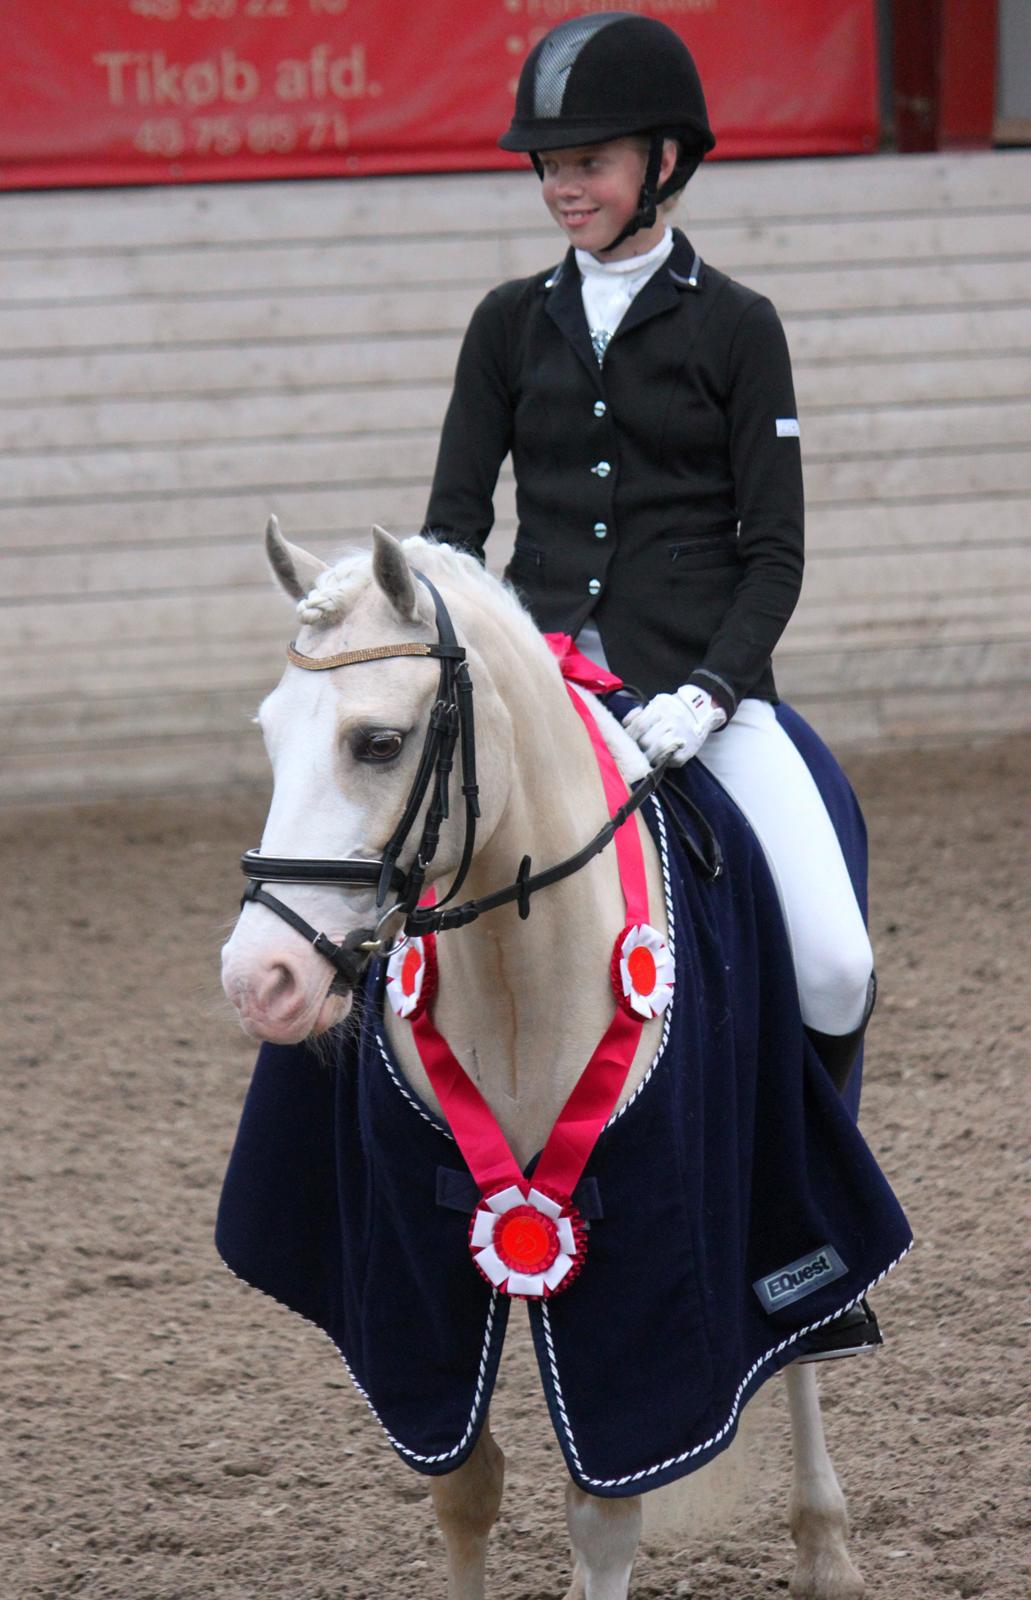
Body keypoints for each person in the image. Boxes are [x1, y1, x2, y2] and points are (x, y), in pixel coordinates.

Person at [423, 13, 880, 1356]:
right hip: (546, 696)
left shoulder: (740, 327)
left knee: (841, 964)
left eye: (593, 160)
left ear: (667, 161)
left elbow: (776, 554)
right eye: (549, 166)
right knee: (389, 925)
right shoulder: (508, 326)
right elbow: (452, 530)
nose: (566, 185)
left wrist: (713, 694)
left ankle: (804, 1237)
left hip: (702, 701)